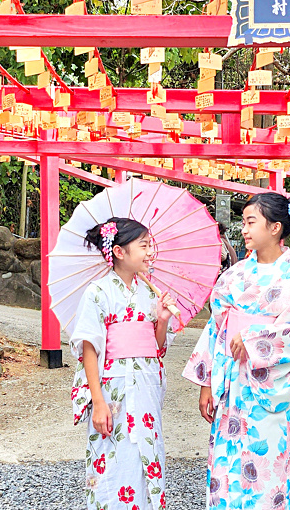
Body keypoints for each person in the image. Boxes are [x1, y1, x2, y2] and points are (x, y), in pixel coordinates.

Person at [183, 193, 290, 510]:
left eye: (250, 222)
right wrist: (206, 383)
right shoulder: (235, 275)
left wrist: (254, 337)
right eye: (243, 222)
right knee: (225, 464)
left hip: (264, 386)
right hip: (230, 381)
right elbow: (216, 328)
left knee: (265, 460)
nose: (244, 229)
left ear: (275, 227)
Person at [69, 217, 176, 510]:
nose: (150, 252)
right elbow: (89, 348)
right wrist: (98, 401)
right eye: (143, 246)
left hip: (145, 388)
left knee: (148, 456)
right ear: (119, 252)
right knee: (112, 458)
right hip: (113, 388)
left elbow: (157, 347)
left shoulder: (149, 293)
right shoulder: (99, 292)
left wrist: (162, 320)